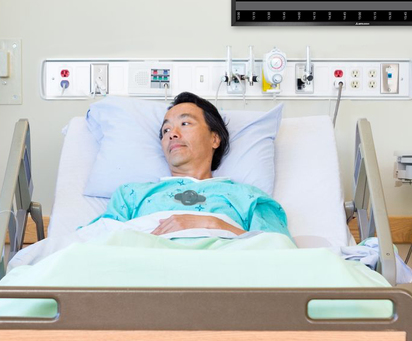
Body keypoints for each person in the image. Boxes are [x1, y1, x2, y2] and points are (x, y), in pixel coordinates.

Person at [88, 92, 289, 237]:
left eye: (185, 124)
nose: (172, 134)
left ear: (214, 139)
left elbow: (278, 251)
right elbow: (94, 243)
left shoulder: (249, 198)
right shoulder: (131, 195)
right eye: (166, 130)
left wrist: (211, 224)